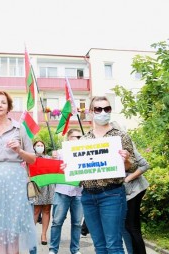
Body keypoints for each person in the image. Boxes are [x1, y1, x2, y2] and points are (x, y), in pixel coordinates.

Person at [0, 90, 37, 254]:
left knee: (12, 232)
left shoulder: (19, 129)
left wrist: (19, 150)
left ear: (8, 107)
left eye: (3, 102)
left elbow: (32, 159)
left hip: (15, 183)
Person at [78, 96, 137, 253]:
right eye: (98, 109)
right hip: (88, 196)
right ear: (91, 112)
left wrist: (126, 160)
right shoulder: (84, 140)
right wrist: (69, 167)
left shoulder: (121, 136)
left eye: (107, 109)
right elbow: (79, 171)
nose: (103, 112)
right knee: (99, 245)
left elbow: (133, 166)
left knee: (113, 245)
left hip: (112, 194)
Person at [110, 122, 150, 254]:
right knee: (127, 226)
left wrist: (127, 179)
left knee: (132, 227)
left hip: (135, 190)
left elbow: (144, 165)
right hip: (126, 191)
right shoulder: (110, 148)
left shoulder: (127, 146)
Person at [49, 129, 83, 254]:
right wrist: (54, 159)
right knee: (57, 222)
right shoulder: (60, 153)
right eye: (76, 137)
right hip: (62, 191)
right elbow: (51, 169)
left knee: (77, 223)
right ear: (69, 138)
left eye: (80, 137)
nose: (79, 139)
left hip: (79, 192)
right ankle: (53, 249)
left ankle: (75, 249)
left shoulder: (85, 152)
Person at [32, 140, 55, 246]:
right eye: (38, 145)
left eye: (42, 145)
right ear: (34, 147)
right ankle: (31, 235)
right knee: (36, 210)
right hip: (36, 186)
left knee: (46, 210)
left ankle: (44, 235)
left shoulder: (49, 158)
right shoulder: (31, 158)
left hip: (48, 186)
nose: (40, 147)